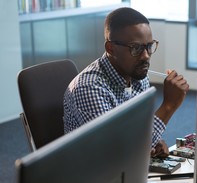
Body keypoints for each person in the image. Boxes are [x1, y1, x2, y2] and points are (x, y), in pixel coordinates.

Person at [63, 7, 189, 157]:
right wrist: (168, 106)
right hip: (92, 174)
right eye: (135, 48)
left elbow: (136, 130)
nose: (146, 56)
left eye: (149, 46)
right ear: (111, 48)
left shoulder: (137, 75)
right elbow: (117, 153)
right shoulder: (89, 88)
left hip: (126, 168)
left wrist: (155, 140)